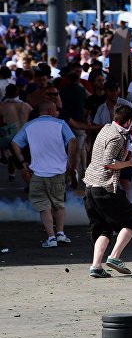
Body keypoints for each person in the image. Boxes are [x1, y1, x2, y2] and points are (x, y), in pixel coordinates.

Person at [83, 105, 132, 278]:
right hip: (105, 187)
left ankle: (96, 266)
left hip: (91, 188)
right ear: (128, 121)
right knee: (131, 222)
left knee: (102, 228)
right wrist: (131, 163)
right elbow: (109, 163)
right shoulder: (117, 137)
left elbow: (115, 157)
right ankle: (114, 257)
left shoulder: (106, 128)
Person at [11, 102, 76, 248]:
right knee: (58, 204)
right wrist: (69, 160)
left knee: (43, 207)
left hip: (38, 173)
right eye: (56, 109)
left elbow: (15, 143)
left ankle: (51, 238)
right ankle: (61, 234)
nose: (57, 112)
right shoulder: (61, 124)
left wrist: (22, 162)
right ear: (51, 110)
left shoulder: (29, 125)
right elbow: (72, 140)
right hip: (58, 171)